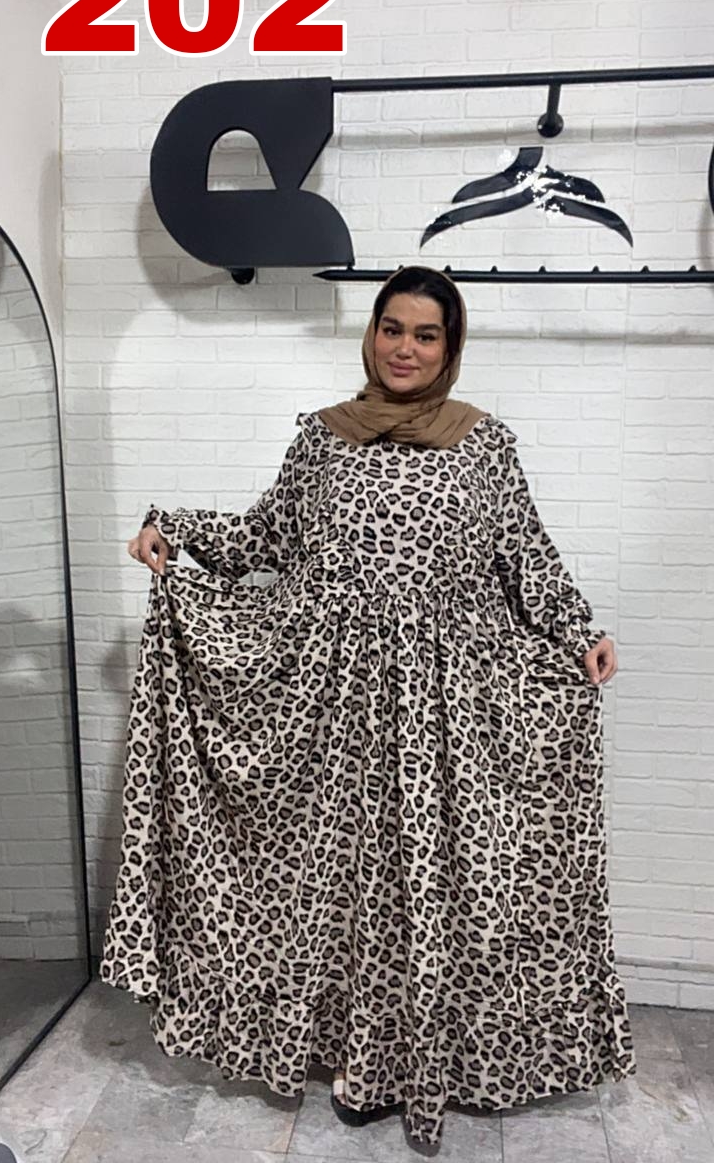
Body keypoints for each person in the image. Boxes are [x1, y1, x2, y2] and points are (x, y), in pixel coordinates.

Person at [100, 264, 636, 1147]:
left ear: (450, 348)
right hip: (333, 699)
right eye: (393, 328)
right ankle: (355, 1060)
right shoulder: (323, 437)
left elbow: (525, 555)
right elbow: (266, 535)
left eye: (426, 335)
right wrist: (179, 528)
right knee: (343, 886)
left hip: (447, 706)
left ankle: (436, 1060)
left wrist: (579, 630)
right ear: (372, 334)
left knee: (433, 885)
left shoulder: (483, 444)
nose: (405, 349)